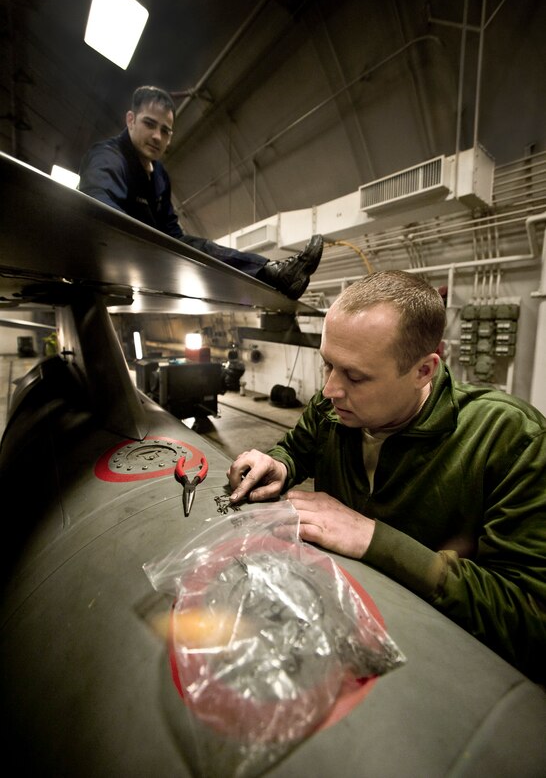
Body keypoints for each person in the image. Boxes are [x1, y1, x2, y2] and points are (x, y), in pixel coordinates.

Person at [228, 269, 546, 682]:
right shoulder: (332, 410)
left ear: (423, 371)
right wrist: (281, 463)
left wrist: (374, 539)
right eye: (328, 366)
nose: (329, 390)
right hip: (334, 627)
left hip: (435, 668)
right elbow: (297, 448)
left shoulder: (511, 440)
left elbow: (531, 620)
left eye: (355, 376)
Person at [78, 86, 323, 300]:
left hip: (143, 260)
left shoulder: (160, 175)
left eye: (165, 130)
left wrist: (195, 257)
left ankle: (275, 274)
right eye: (149, 124)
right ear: (130, 120)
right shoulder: (107, 156)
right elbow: (98, 211)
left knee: (200, 246)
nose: (157, 136)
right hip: (99, 265)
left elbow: (172, 233)